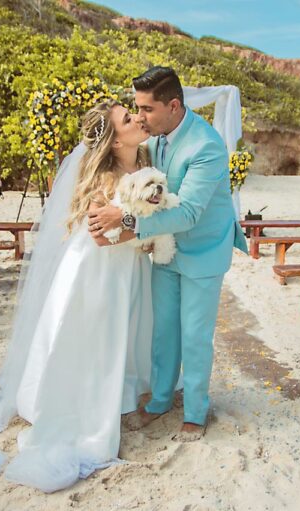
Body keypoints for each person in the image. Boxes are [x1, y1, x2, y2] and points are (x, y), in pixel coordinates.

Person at [0, 100, 154, 492]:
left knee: (125, 329)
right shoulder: (104, 177)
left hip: (127, 263)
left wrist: (146, 231)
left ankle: (124, 391)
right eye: (127, 119)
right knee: (93, 335)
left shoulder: (144, 163)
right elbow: (99, 233)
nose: (137, 119)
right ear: (112, 142)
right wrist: (147, 229)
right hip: (97, 268)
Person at [89, 67, 248, 441]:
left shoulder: (207, 145)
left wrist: (123, 219)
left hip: (204, 250)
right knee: (163, 331)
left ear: (174, 105)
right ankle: (160, 399)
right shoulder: (156, 138)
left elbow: (189, 213)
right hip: (164, 250)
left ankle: (194, 411)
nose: (140, 117)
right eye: (136, 109)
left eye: (146, 109)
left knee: (194, 334)